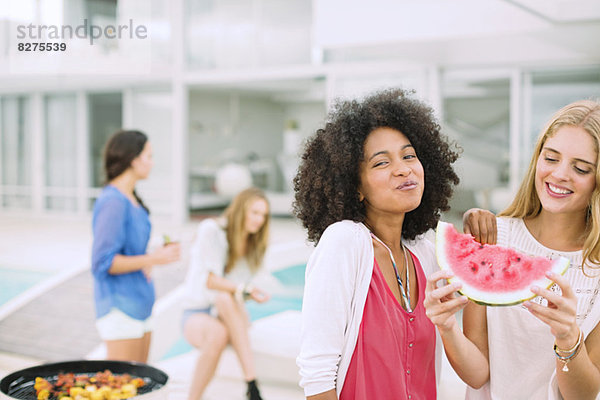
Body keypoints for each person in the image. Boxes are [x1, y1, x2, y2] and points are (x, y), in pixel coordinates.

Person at [425, 99, 600, 399]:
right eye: (551, 158)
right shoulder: (492, 238)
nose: (559, 174)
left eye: (581, 168)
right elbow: (478, 374)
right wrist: (446, 327)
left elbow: (582, 395)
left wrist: (569, 340)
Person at [294, 88, 461, 399]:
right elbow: (317, 374)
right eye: (381, 163)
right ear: (355, 186)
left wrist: (490, 228)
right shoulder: (344, 242)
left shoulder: (426, 253)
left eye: (409, 155)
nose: (403, 169)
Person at [91, 130, 181, 363]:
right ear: (134, 159)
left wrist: (150, 257)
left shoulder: (131, 199)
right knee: (124, 390)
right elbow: (103, 263)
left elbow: (130, 254)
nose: (152, 163)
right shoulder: (112, 201)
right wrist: (154, 259)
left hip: (140, 306)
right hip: (120, 309)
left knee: (140, 387)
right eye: (149, 156)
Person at [182, 187, 271, 400]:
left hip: (229, 312)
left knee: (225, 300)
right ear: (241, 210)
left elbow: (237, 292)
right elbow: (211, 281)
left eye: (264, 216)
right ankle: (251, 384)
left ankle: (251, 386)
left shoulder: (252, 247)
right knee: (218, 329)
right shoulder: (211, 230)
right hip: (198, 312)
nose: (259, 220)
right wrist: (245, 290)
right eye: (255, 212)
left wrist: (249, 293)